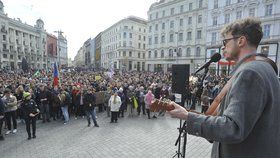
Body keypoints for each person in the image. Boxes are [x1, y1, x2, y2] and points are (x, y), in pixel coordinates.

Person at [168, 18, 280, 158]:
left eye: (225, 42)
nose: (222, 47)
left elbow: (233, 128)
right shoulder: (263, 67)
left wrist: (187, 116)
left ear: (240, 41)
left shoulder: (249, 73)